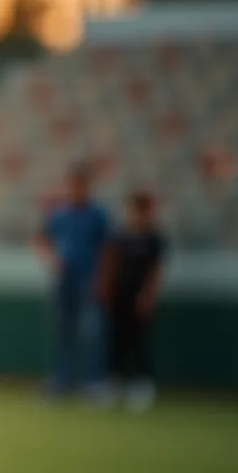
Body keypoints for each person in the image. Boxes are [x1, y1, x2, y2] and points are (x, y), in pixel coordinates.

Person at [34, 163, 111, 399]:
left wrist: (102, 279)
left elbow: (108, 250)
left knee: (92, 332)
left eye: (80, 185)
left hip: (88, 280)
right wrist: (52, 259)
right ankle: (62, 380)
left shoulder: (97, 214)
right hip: (64, 281)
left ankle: (94, 382)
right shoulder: (61, 214)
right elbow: (41, 238)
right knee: (63, 332)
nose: (76, 190)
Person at [97, 190, 167, 413]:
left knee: (139, 342)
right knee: (116, 340)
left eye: (140, 209)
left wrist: (147, 296)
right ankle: (113, 383)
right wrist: (106, 287)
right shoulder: (122, 236)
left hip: (138, 296)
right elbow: (111, 263)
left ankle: (143, 386)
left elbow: (155, 271)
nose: (135, 214)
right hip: (120, 295)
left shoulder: (154, 238)